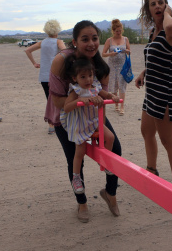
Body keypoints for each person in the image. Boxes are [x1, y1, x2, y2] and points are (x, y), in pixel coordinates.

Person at [45, 20, 122, 223]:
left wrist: (105, 98)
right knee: (74, 157)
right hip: (69, 118)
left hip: (90, 115)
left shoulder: (100, 66)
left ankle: (110, 194)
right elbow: (58, 101)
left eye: (94, 38)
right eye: (85, 39)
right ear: (74, 42)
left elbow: (102, 95)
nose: (91, 43)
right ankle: (82, 203)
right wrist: (81, 100)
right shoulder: (61, 61)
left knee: (115, 148)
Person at [135, 0, 172, 190]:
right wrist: (144, 72)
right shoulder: (154, 32)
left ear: (167, 6)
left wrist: (168, 13)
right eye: (153, 4)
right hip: (152, 93)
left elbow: (171, 25)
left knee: (168, 141)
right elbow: (158, 57)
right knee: (146, 132)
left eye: (161, 3)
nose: (157, 6)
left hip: (165, 94)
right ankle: (151, 170)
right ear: (147, 9)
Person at [60, 56, 120, 195]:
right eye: (83, 77)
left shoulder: (95, 87)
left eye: (90, 75)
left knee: (110, 137)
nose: (88, 80)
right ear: (75, 78)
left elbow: (105, 94)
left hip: (94, 121)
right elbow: (66, 107)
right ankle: (76, 177)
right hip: (81, 124)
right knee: (79, 152)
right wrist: (79, 101)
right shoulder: (76, 91)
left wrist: (113, 97)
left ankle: (104, 161)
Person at [24, 19, 66, 134]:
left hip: (43, 75)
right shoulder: (58, 42)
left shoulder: (42, 42)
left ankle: (51, 125)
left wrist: (34, 63)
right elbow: (65, 52)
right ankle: (59, 122)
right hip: (56, 75)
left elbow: (27, 50)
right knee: (58, 98)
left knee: (49, 99)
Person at [101, 19, 131, 115]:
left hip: (123, 66)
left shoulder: (125, 39)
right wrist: (111, 54)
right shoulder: (109, 40)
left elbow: (129, 50)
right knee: (114, 85)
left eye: (120, 31)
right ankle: (116, 104)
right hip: (112, 66)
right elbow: (103, 54)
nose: (118, 33)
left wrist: (126, 51)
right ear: (113, 31)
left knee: (122, 85)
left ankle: (122, 106)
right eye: (116, 31)